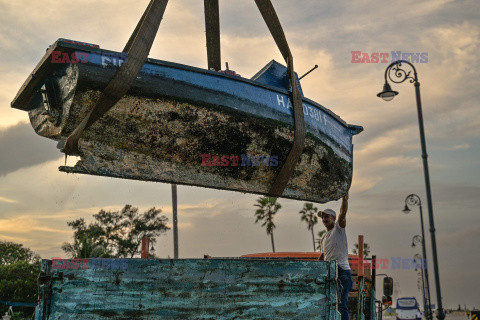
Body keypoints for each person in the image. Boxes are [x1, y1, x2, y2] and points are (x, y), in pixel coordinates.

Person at [318, 195, 352, 320]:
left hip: (342, 272)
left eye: (327, 216)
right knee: (329, 305)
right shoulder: (324, 237)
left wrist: (344, 200)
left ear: (333, 218)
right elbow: (323, 255)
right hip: (330, 273)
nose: (324, 219)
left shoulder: (338, 228)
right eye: (323, 217)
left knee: (341, 305)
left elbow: (343, 214)